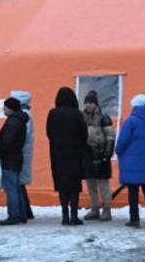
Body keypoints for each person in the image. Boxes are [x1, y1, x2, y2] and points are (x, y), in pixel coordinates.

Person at [116, 94, 145, 228]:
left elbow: (122, 141)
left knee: (133, 191)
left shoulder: (131, 121)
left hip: (132, 163)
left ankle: (134, 219)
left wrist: (118, 151)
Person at [47, 86, 88, 225]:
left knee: (62, 185)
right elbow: (84, 134)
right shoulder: (77, 114)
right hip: (75, 153)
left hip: (57, 153)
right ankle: (74, 216)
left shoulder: (53, 113)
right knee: (74, 186)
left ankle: (64, 215)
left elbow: (49, 133)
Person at [0, 96, 29, 225]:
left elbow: (6, 141)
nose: (3, 109)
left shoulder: (13, 122)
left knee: (11, 188)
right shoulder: (20, 120)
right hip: (16, 158)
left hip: (9, 159)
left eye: (5, 107)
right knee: (16, 187)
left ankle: (14, 215)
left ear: (11, 108)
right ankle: (22, 214)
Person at [81, 91, 115, 222]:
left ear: (96, 104)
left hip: (100, 153)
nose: (88, 105)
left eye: (91, 103)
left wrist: (107, 153)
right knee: (90, 183)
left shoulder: (104, 118)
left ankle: (107, 208)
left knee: (103, 183)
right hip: (87, 153)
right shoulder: (82, 118)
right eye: (87, 102)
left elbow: (110, 136)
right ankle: (94, 207)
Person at [16, 92, 37, 220]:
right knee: (19, 183)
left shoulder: (24, 116)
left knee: (18, 182)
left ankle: (25, 210)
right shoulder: (27, 115)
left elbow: (22, 135)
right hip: (23, 152)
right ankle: (26, 210)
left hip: (21, 153)